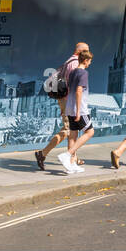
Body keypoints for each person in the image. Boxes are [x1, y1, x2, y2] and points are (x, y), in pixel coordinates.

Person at [36, 41, 89, 171]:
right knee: (68, 131)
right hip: (69, 101)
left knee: (72, 131)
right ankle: (43, 154)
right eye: (86, 50)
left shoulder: (68, 62)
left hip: (65, 101)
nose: (88, 53)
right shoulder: (75, 64)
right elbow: (74, 88)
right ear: (80, 52)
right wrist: (72, 107)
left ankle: (73, 159)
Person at [59, 50, 95, 174]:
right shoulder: (83, 73)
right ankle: (67, 155)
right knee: (90, 132)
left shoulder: (73, 73)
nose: (90, 63)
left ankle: (71, 164)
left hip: (70, 107)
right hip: (80, 109)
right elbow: (79, 91)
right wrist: (79, 111)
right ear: (85, 60)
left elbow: (69, 89)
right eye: (90, 61)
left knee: (73, 136)